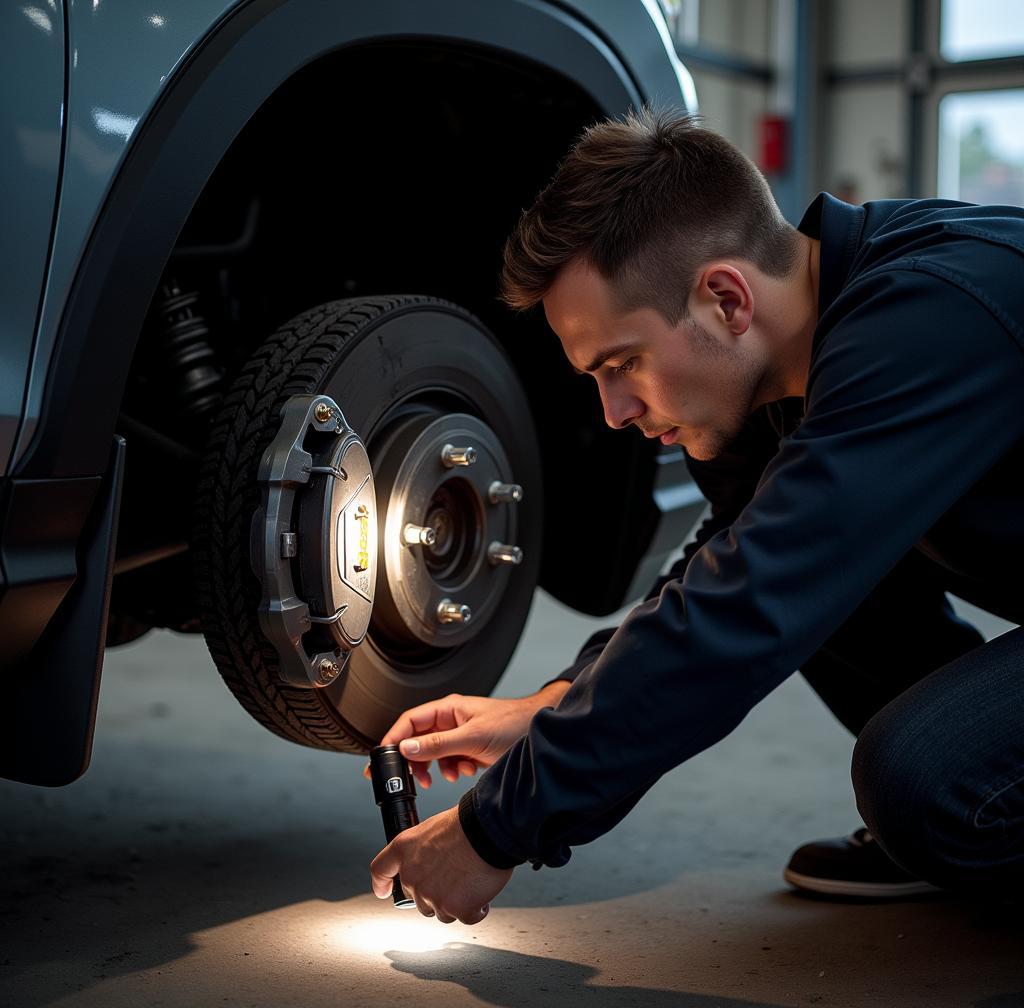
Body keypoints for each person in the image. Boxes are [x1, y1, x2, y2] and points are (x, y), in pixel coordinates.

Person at [368, 109, 1024, 924]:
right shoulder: (802, 345)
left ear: (725, 298)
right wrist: (555, 704)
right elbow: (733, 558)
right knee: (810, 566)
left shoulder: (928, 321)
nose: (612, 412)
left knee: (929, 778)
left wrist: (493, 828)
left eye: (623, 364)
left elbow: (748, 608)